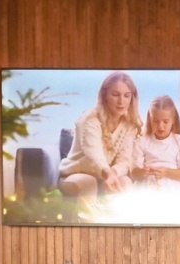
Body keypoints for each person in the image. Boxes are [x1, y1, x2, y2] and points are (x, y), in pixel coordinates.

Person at [58, 71, 143, 218]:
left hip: (107, 175)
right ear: (105, 96)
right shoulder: (89, 118)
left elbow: (124, 160)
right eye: (115, 95)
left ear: (132, 98)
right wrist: (107, 173)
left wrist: (113, 174)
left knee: (125, 182)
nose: (121, 101)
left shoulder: (130, 125)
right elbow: (94, 154)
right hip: (76, 174)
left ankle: (121, 231)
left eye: (126, 95)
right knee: (88, 182)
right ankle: (87, 231)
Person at [131, 95, 180, 192]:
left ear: (173, 120)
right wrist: (141, 173)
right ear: (150, 120)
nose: (161, 127)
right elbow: (134, 173)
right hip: (146, 187)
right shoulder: (141, 142)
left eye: (165, 122)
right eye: (156, 121)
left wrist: (166, 173)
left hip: (173, 187)